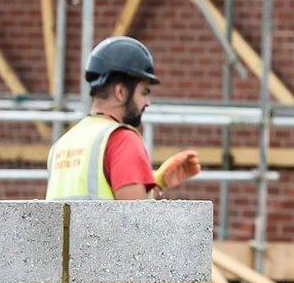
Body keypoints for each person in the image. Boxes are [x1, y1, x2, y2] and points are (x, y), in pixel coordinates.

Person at [45, 36, 202, 201]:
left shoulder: (63, 143)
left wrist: (158, 181)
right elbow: (134, 220)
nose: (147, 102)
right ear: (120, 92)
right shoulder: (122, 139)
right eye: (144, 92)